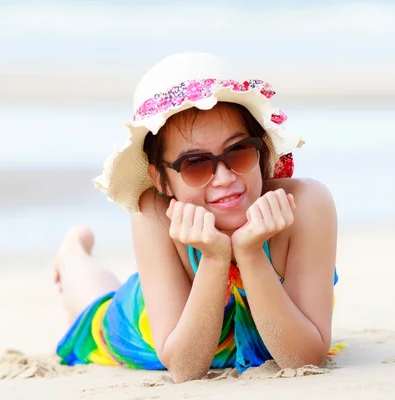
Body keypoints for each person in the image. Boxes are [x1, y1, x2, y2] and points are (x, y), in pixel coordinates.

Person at [53, 52, 341, 383]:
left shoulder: (305, 205)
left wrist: (249, 253)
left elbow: (302, 358)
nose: (223, 178)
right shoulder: (155, 214)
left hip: (266, 327)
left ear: (260, 149)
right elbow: (185, 368)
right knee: (95, 311)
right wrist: (214, 258)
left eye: (238, 151)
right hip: (158, 325)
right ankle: (73, 253)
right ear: (161, 179)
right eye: (195, 164)